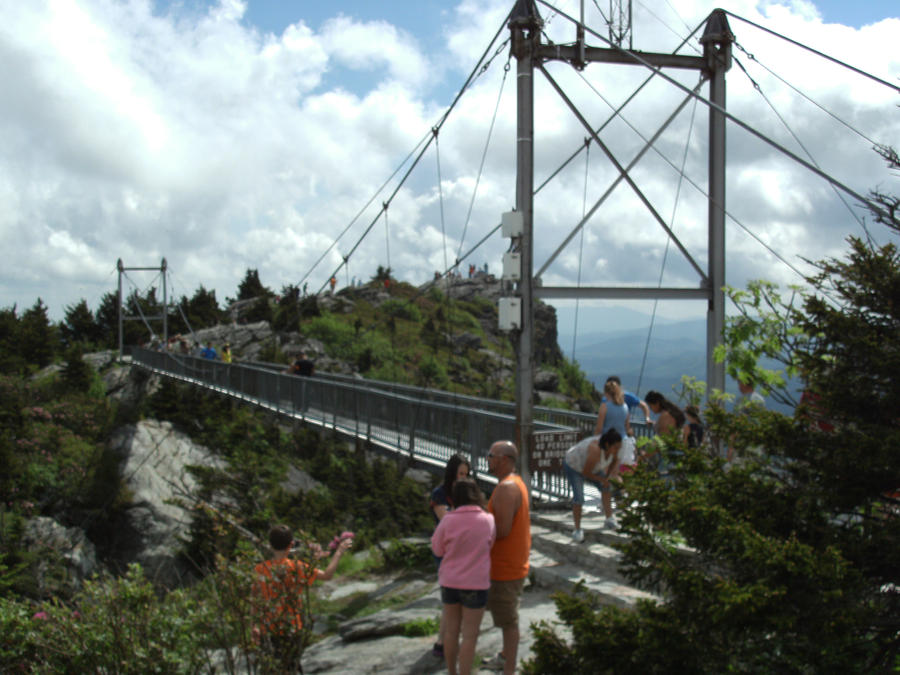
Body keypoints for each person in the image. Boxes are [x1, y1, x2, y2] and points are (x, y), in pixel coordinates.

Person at [253, 524, 352, 673]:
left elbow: (255, 600)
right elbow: (327, 575)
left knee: (271, 668)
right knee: (292, 667)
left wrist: (253, 625)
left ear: (270, 545)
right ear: (291, 544)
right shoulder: (297, 567)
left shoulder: (260, 570)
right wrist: (338, 552)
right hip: (292, 627)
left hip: (267, 629)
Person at [431, 478, 495, 675]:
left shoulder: (448, 520)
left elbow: (437, 549)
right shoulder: (487, 519)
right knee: (469, 636)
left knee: (451, 631)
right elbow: (490, 545)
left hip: (450, 582)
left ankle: (451, 671)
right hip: (476, 584)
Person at [484, 440, 530, 675]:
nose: (488, 458)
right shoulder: (516, 483)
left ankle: (509, 669)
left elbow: (501, 531)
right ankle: (504, 657)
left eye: (491, 455)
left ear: (504, 460)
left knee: (508, 622)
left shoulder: (506, 488)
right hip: (511, 564)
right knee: (505, 618)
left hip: (505, 568)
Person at [430, 454, 471, 659]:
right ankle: (442, 641)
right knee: (451, 599)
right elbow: (447, 522)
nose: (462, 478)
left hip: (464, 551)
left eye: (466, 474)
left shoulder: (466, 494)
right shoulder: (440, 494)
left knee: (458, 599)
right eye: (459, 473)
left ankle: (446, 640)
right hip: (446, 552)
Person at [563, 428, 623, 540]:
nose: (617, 450)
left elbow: (613, 463)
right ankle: (577, 530)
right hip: (574, 465)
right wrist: (602, 479)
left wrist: (607, 477)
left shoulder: (615, 450)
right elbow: (586, 472)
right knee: (579, 498)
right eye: (615, 447)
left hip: (594, 467)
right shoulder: (595, 450)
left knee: (607, 487)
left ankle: (609, 519)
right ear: (607, 444)